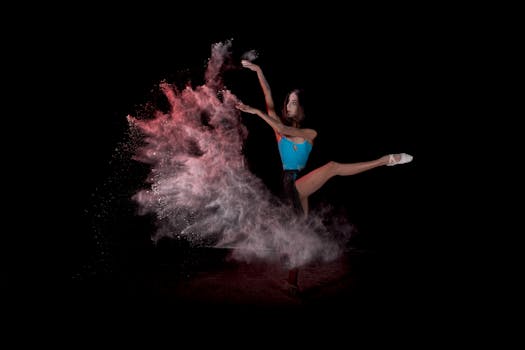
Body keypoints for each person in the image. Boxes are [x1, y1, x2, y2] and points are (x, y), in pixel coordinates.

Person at [235, 60, 413, 296]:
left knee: (301, 232)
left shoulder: (310, 133)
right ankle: (385, 160)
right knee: (333, 167)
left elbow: (290, 131)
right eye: (288, 101)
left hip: (300, 182)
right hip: (290, 183)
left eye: (294, 102)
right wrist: (258, 70)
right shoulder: (278, 129)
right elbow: (268, 95)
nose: (289, 104)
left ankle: (292, 282)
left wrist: (257, 112)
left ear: (303, 108)